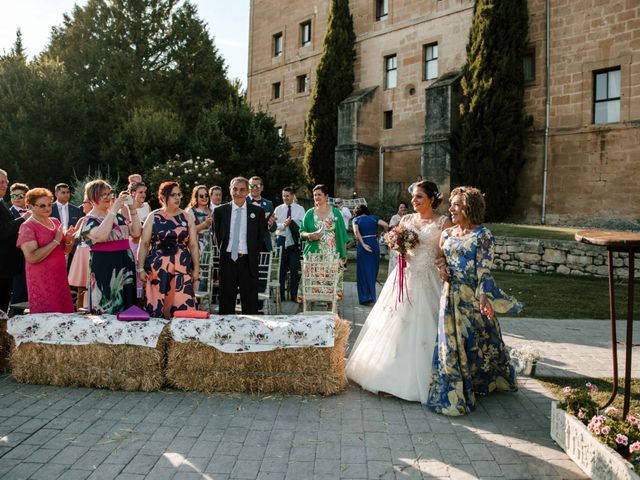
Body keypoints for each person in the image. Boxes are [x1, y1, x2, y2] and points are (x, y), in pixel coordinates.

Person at [346, 180, 451, 403]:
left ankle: (423, 379)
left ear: (432, 199)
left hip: (428, 279)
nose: (414, 200)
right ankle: (384, 375)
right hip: (404, 278)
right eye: (413, 196)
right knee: (393, 325)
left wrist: (442, 266)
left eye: (419, 196)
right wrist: (396, 243)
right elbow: (397, 246)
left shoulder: (443, 222)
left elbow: (444, 253)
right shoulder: (406, 219)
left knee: (424, 326)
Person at [427, 186, 523, 416]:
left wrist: (483, 297)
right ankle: (455, 389)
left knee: (481, 340)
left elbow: (484, 270)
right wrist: (442, 268)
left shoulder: (483, 235)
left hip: (472, 297)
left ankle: (488, 381)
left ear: (470, 207)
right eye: (451, 204)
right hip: (450, 296)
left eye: (457, 204)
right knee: (451, 342)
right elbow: (440, 257)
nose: (451, 208)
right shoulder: (447, 234)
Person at [138, 182, 199, 319]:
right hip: (157, 268)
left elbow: (194, 244)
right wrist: (140, 268)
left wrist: (196, 269)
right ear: (163, 197)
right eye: (173, 195)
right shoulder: (154, 216)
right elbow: (144, 243)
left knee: (182, 305)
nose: (177, 198)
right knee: (156, 306)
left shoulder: (187, 216)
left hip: (181, 268)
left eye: (179, 195)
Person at [80, 179, 141, 314]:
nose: (108, 197)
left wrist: (132, 210)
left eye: (109, 193)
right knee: (107, 303)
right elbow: (101, 236)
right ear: (92, 197)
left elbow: (136, 233)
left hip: (125, 263)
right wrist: (113, 209)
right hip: (105, 264)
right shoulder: (89, 220)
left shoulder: (118, 217)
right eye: (103, 194)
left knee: (127, 304)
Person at [214, 176, 270, 314]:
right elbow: (217, 237)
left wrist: (250, 254)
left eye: (242, 190)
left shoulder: (257, 212)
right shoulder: (220, 211)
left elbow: (259, 237)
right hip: (228, 260)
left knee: (250, 303)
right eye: (235, 189)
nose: (238, 193)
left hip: (248, 261)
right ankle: (225, 333)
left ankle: (250, 333)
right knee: (226, 302)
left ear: (247, 191)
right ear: (230, 190)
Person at [17, 188, 75, 313]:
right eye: (42, 206)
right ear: (30, 206)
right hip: (41, 279)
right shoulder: (27, 226)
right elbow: (32, 257)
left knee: (65, 314)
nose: (47, 208)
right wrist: (55, 240)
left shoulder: (54, 221)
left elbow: (65, 251)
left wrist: (69, 240)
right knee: (47, 315)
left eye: (49, 204)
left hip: (59, 276)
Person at [299, 184, 349, 300]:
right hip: (313, 254)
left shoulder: (336, 213)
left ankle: (331, 308)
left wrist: (344, 252)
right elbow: (302, 232)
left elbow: (342, 234)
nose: (316, 197)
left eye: (319, 194)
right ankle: (309, 306)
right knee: (312, 281)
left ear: (326, 196)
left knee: (330, 281)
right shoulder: (309, 213)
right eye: (315, 195)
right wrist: (310, 235)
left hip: (331, 253)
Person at [0, 169, 30, 313]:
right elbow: (2, 231)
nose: (4, 185)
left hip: (7, 268)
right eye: (1, 182)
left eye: (6, 181)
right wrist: (22, 219)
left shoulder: (2, 204)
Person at [352, 204, 388, 304]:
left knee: (362, 272)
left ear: (356, 212)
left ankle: (364, 297)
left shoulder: (356, 220)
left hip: (363, 246)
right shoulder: (374, 218)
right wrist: (384, 234)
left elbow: (356, 232)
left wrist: (363, 244)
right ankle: (372, 296)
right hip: (374, 244)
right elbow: (386, 225)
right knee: (373, 271)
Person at [273, 187, 305, 302]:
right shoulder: (278, 209)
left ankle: (294, 295)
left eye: (287, 195)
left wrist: (293, 222)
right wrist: (283, 225)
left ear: (292, 196)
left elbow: (302, 225)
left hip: (294, 242)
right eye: (283, 195)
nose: (285, 198)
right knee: (281, 269)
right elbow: (274, 225)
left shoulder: (300, 209)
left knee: (294, 269)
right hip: (281, 239)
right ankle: (280, 294)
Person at [68, 198, 93, 309]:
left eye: (85, 202)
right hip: (80, 254)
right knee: (80, 287)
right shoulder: (82, 219)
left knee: (92, 284)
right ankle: (79, 310)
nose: (82, 205)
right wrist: (70, 235)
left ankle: (91, 307)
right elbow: (73, 239)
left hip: (91, 252)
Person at [8, 183, 30, 304]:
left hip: (33, 256)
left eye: (20, 195)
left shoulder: (34, 212)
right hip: (14, 257)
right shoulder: (7, 212)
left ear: (26, 197)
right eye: (13, 195)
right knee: (17, 293)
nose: (16, 198)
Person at [247, 176, 276, 251]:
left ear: (262, 187)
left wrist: (271, 224)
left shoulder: (268, 204)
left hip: (264, 245)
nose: (255, 188)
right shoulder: (243, 202)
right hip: (246, 245)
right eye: (252, 186)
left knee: (264, 263)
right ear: (248, 187)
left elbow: (273, 228)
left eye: (258, 186)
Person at [388, 201, 409, 274]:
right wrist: (401, 219)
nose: (402, 209)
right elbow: (391, 228)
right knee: (395, 262)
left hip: (406, 243)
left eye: (404, 207)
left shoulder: (409, 217)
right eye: (401, 207)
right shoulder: (395, 217)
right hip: (396, 242)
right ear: (398, 209)